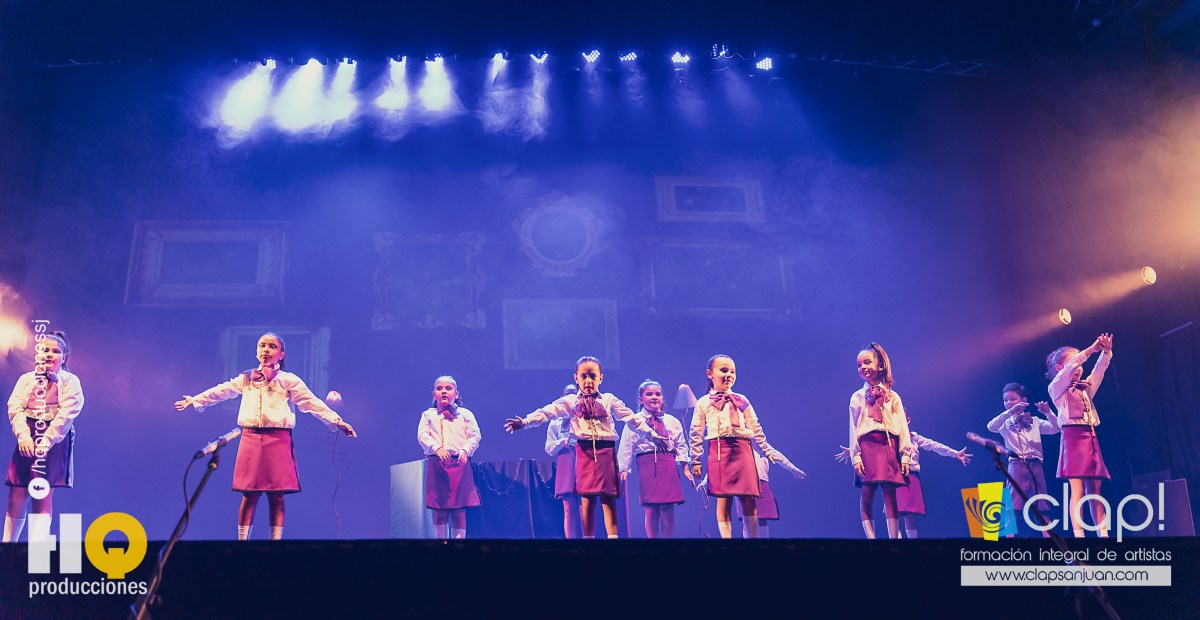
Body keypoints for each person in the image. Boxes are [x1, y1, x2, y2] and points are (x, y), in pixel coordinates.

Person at [175, 332, 356, 540]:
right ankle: (242, 543)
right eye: (262, 346)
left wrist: (337, 421)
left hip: (278, 439)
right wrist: (196, 399)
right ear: (256, 351)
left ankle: (275, 544)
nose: (266, 350)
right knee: (249, 492)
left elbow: (311, 403)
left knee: (276, 494)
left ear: (281, 354)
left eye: (272, 346)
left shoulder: (288, 380)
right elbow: (222, 390)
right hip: (250, 438)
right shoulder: (247, 378)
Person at [504, 356, 663, 539]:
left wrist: (651, 434)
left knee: (609, 499)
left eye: (593, 376)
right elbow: (547, 411)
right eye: (584, 376)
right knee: (587, 499)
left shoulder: (609, 399)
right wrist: (525, 422)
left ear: (600, 378)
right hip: (584, 451)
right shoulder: (571, 401)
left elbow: (631, 418)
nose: (588, 381)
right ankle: (588, 541)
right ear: (576, 378)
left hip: (606, 451)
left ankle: (613, 540)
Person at [689, 354, 794, 539]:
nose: (729, 375)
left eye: (732, 371)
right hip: (719, 450)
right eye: (724, 370)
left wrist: (765, 449)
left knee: (748, 497)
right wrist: (695, 459)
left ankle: (752, 539)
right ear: (709, 374)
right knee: (723, 498)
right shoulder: (703, 402)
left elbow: (755, 426)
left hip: (742, 449)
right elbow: (695, 432)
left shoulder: (742, 399)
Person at [4, 331, 83, 543]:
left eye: (55, 351)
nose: (49, 354)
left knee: (41, 491)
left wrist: (47, 440)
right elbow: (15, 407)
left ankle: (36, 550)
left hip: (54, 437)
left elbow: (68, 413)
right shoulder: (26, 379)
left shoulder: (70, 381)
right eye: (45, 350)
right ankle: (7, 547)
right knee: (17, 490)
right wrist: (24, 436)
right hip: (28, 434)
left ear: (64, 357)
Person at [1046, 333, 1114, 537]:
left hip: (1090, 437)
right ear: (1059, 367)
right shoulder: (1056, 388)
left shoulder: (1085, 389)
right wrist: (1090, 350)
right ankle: (1079, 536)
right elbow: (1070, 369)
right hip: (1072, 439)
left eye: (1081, 364)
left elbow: (1099, 371)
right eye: (1075, 362)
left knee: (1094, 490)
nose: (1079, 367)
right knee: (1077, 490)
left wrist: (1106, 352)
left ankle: (1103, 534)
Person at [847, 343, 914, 539]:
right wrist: (855, 456)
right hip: (867, 446)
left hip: (888, 445)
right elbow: (853, 428)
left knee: (890, 492)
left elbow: (902, 427)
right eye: (859, 365)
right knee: (867, 492)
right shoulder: (857, 397)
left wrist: (906, 455)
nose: (863, 367)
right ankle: (871, 539)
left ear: (881, 365)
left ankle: (893, 538)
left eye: (867, 362)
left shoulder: (893, 396)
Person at [617, 379, 692, 538]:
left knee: (667, 507)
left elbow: (681, 445)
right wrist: (623, 468)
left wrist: (686, 468)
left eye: (658, 394)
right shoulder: (635, 421)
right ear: (640, 399)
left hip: (668, 464)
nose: (654, 397)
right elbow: (626, 445)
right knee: (651, 508)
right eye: (649, 394)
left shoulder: (672, 421)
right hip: (647, 465)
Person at [987, 382, 1058, 537]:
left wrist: (1048, 413)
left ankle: (1049, 538)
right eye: (1005, 400)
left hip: (1036, 465)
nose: (1008, 403)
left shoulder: (1035, 421)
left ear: (1023, 400)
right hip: (1016, 464)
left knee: (1042, 502)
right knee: (1013, 503)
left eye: (1012, 399)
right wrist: (1010, 411)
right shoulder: (1005, 422)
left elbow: (1056, 428)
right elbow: (991, 427)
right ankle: (1009, 539)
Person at [417, 376, 481, 539]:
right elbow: (422, 435)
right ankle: (441, 543)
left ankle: (459, 543)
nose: (444, 391)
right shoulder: (428, 415)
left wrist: (466, 450)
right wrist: (436, 448)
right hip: (437, 465)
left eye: (448, 388)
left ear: (456, 394)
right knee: (440, 509)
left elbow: (475, 435)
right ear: (434, 394)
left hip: (459, 463)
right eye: (439, 388)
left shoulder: (465, 414)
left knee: (459, 509)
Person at [545, 384, 582, 538]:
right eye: (567, 394)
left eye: (574, 393)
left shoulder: (585, 417)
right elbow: (548, 448)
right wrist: (560, 443)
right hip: (566, 460)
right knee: (568, 506)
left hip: (583, 458)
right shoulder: (555, 421)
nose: (571, 397)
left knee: (585, 504)